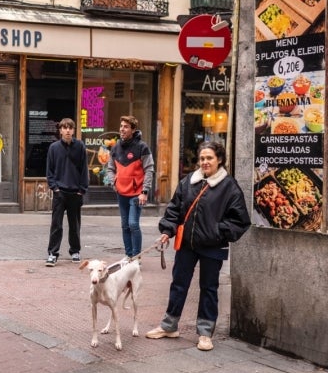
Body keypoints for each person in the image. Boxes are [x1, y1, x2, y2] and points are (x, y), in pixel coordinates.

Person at [145, 141, 250, 351]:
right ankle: (169, 325)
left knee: (209, 288)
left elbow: (240, 221)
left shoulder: (229, 186)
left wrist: (217, 231)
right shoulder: (188, 182)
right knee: (178, 283)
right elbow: (174, 209)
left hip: (213, 246)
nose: (205, 162)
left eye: (209, 158)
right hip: (187, 244)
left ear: (219, 159)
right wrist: (167, 231)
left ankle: (204, 332)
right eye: (202, 158)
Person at [104, 115, 155, 260]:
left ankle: (136, 256)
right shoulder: (115, 148)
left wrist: (144, 191)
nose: (122, 129)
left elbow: (149, 169)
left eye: (126, 127)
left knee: (133, 224)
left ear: (133, 129)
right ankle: (128, 255)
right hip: (121, 193)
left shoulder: (142, 147)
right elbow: (110, 168)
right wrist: (113, 182)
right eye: (121, 126)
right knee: (125, 225)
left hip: (136, 193)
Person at [45, 118, 89, 267]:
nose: (68, 130)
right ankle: (52, 253)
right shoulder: (54, 148)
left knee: (75, 225)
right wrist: (54, 188)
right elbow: (49, 171)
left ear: (73, 130)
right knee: (56, 224)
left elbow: (84, 169)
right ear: (60, 130)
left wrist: (82, 190)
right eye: (65, 128)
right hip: (60, 192)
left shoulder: (80, 146)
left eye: (70, 128)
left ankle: (75, 251)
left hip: (75, 192)